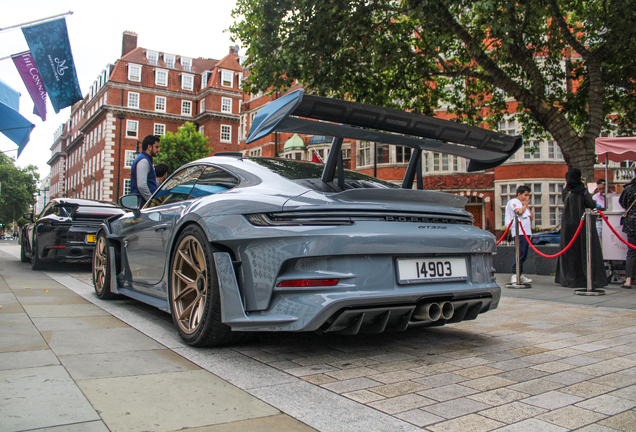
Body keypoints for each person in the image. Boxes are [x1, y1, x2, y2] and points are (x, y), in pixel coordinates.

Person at [555, 168, 607, 288]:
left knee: (570, 251)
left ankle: (569, 278)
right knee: (585, 249)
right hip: (582, 224)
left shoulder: (565, 191)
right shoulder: (582, 191)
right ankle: (587, 278)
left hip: (568, 224)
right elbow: (590, 203)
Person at [505, 185, 533, 284]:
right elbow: (519, 212)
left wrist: (526, 205)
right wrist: (524, 205)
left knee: (524, 254)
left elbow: (531, 217)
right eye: (526, 195)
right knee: (519, 253)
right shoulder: (513, 202)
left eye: (528, 195)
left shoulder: (523, 204)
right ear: (519, 194)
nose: (527, 197)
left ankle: (520, 274)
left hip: (526, 232)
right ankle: (514, 273)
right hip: (519, 232)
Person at [130, 135, 160, 204]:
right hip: (143, 205)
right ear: (149, 147)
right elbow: (141, 185)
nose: (158, 149)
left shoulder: (144, 160)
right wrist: (151, 201)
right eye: (156, 147)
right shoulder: (143, 161)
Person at [619, 172, 636, 289]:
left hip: (632, 223)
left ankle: (628, 279)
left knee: (631, 252)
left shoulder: (629, 188)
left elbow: (622, 202)